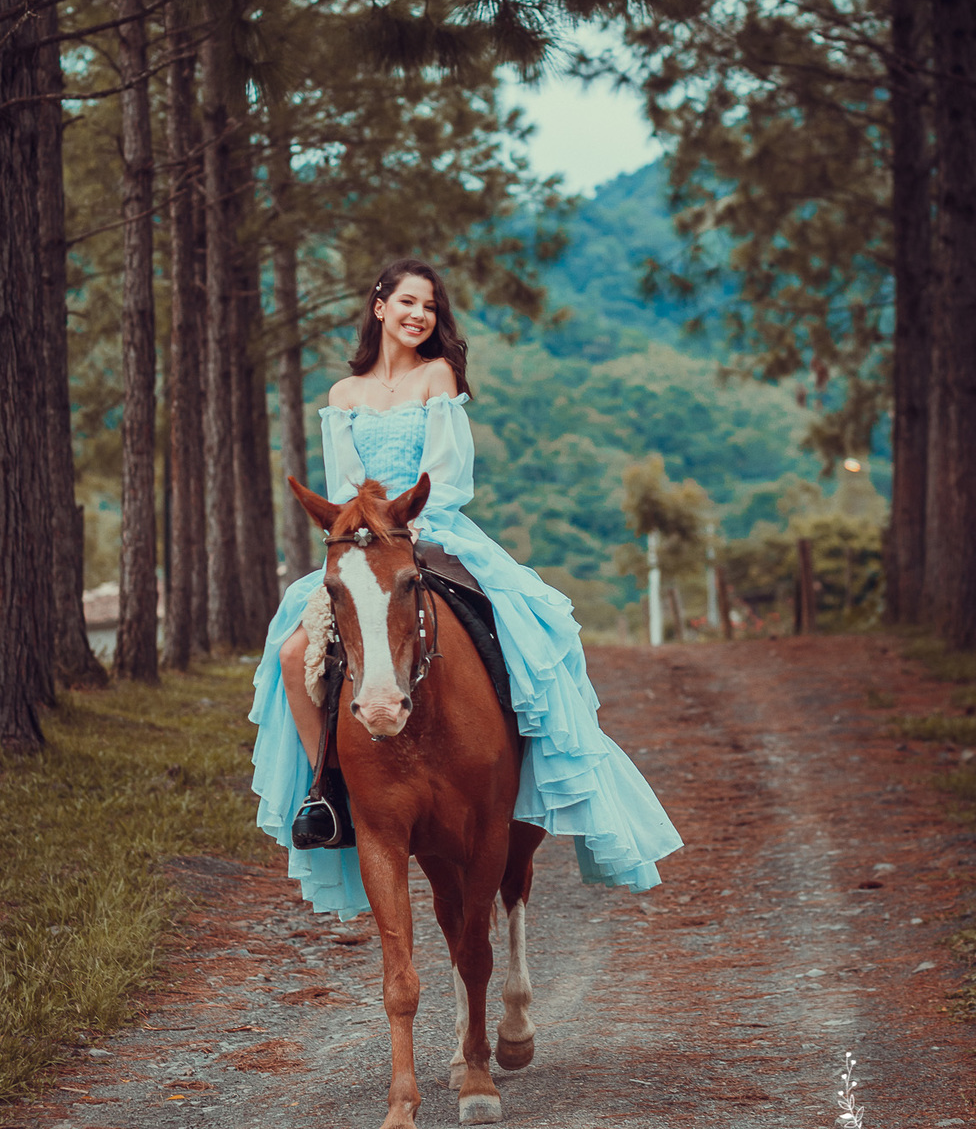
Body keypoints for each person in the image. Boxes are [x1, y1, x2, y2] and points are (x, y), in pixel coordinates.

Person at [249, 258, 683, 920]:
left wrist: (409, 523)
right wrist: (368, 530)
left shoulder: (438, 376)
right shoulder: (343, 396)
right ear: (379, 305)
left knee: (521, 627)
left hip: (436, 528)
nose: (419, 315)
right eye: (408, 303)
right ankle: (325, 787)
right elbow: (344, 488)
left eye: (430, 307)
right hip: (368, 542)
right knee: (290, 655)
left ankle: (520, 757)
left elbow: (449, 473)